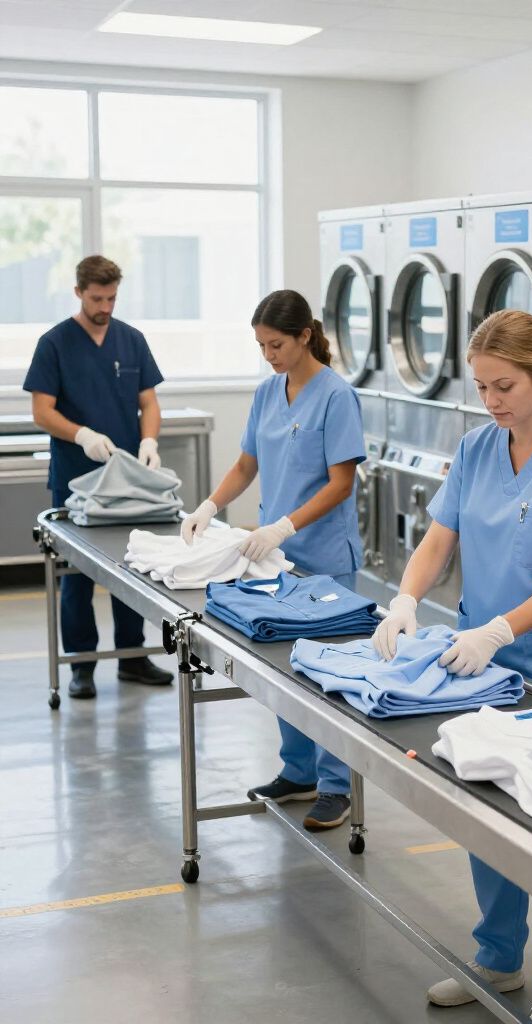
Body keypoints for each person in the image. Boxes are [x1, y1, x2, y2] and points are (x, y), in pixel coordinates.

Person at [372, 309, 532, 1024]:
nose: (492, 401)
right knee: (491, 815)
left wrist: (500, 630)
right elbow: (437, 538)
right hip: (480, 668)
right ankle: (501, 957)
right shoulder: (479, 449)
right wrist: (406, 598)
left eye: (504, 385)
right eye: (481, 387)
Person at [179, 289, 365, 832]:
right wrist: (211, 506)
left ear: (305, 335)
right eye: (261, 346)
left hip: (324, 555)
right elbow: (245, 463)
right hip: (274, 560)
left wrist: (285, 524)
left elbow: (341, 482)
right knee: (285, 670)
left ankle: (336, 786)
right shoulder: (267, 393)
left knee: (327, 672)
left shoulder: (336, 396)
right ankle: (298, 772)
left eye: (276, 344)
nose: (269, 355)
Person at [24, 254, 174, 699]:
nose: (104, 306)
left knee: (131, 568)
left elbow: (148, 401)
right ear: (78, 293)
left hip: (127, 479)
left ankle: (132, 658)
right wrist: (81, 434)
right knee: (77, 575)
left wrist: (149, 441)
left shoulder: (131, 340)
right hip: (76, 479)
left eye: (111, 298)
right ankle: (81, 665)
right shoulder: (55, 344)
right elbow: (41, 411)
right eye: (96, 298)